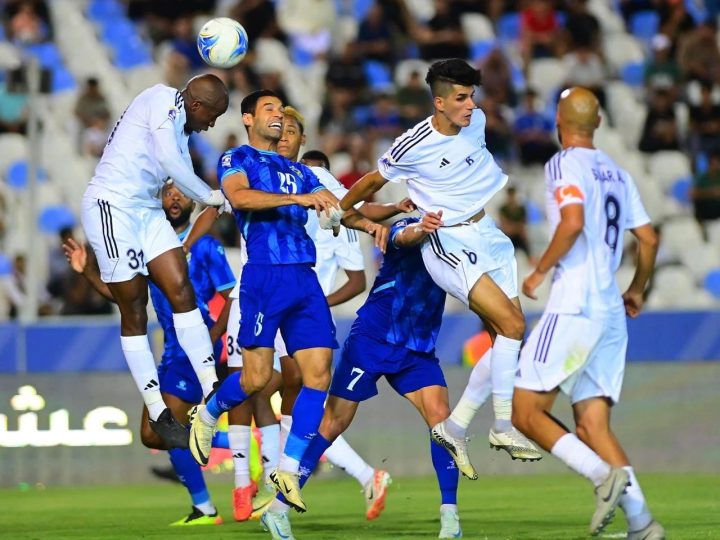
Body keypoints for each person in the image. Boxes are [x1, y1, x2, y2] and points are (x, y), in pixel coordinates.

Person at [330, 59, 540, 474]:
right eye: (461, 98)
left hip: (490, 234)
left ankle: (459, 426)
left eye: (472, 96)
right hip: (448, 240)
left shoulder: (476, 121)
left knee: (511, 332)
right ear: (439, 102)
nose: (471, 105)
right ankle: (501, 424)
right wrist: (342, 208)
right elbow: (374, 179)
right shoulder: (413, 144)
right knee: (512, 329)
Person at [188, 90, 387, 514]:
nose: (278, 115)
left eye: (281, 109)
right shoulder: (236, 159)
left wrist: (381, 223)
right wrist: (299, 199)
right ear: (248, 118)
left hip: (305, 279)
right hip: (264, 278)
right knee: (256, 379)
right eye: (269, 109)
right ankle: (208, 414)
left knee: (317, 376)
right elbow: (239, 198)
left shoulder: (299, 172)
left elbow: (338, 209)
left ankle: (290, 469)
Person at [261, 213, 491, 539]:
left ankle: (450, 517)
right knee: (331, 424)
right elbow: (404, 237)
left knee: (443, 423)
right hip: (372, 341)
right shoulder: (407, 226)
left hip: (416, 351)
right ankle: (279, 509)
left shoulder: (452, 244)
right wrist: (422, 227)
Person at [513, 87, 664, 540]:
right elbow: (650, 239)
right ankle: (642, 524)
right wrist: (636, 289)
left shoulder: (563, 164)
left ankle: (602, 477)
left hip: (575, 304)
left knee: (525, 412)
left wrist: (539, 270)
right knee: (592, 423)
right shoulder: (617, 172)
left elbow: (573, 221)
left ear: (559, 119)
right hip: (610, 311)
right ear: (598, 123)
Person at [65, 182, 236, 526]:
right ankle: (239, 449)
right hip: (172, 352)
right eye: (167, 192)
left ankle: (218, 487)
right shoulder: (148, 246)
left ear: (191, 200)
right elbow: (128, 299)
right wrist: (87, 271)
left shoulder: (204, 245)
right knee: (159, 432)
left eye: (181, 193)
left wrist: (212, 338)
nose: (174, 198)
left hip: (194, 352)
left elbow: (231, 295)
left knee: (157, 429)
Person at [80, 74, 230, 448]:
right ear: (196, 105)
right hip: (112, 207)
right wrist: (210, 196)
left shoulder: (181, 126)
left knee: (182, 290)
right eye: (212, 116)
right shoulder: (161, 100)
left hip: (147, 212)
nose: (211, 124)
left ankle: (212, 389)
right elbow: (166, 159)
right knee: (134, 310)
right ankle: (158, 410)